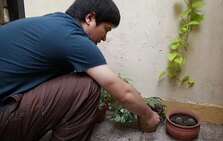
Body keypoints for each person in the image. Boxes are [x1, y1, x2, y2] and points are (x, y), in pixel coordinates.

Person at [0, 0, 160, 140]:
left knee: (73, 76)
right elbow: (124, 94)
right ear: (90, 18)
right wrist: (150, 115)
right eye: (107, 29)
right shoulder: (72, 37)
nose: (105, 38)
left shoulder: (54, 22)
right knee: (87, 87)